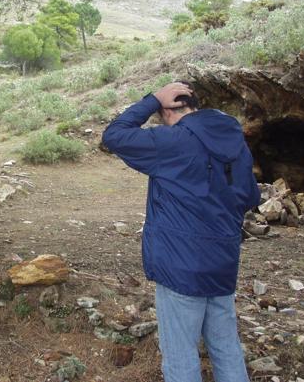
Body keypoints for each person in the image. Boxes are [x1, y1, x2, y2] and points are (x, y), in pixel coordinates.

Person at [102, 82, 261, 382]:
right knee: (226, 349)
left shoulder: (173, 140)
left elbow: (114, 135)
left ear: (166, 111)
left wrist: (151, 99)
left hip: (181, 267)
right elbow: (251, 197)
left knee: (180, 354)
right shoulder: (236, 142)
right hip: (223, 263)